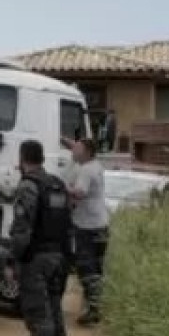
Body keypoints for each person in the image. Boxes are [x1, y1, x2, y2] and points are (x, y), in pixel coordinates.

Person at [3, 139, 71, 336]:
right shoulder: (57, 185)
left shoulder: (29, 187)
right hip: (59, 258)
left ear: (23, 158)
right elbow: (67, 224)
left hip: (37, 259)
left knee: (37, 313)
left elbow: (22, 229)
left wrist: (13, 260)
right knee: (54, 312)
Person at [65, 136, 110, 326]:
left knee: (86, 267)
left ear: (87, 152)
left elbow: (79, 193)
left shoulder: (85, 171)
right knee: (97, 268)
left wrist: (61, 187)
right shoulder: (96, 165)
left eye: (77, 149)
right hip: (101, 224)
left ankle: (93, 310)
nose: (73, 151)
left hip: (87, 226)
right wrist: (67, 141)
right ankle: (95, 306)